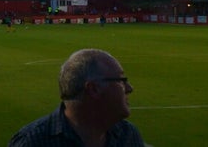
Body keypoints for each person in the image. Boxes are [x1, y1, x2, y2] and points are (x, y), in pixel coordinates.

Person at [9, 49, 144, 147]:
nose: (129, 88)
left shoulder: (128, 135)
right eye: (121, 80)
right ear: (93, 89)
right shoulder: (32, 142)